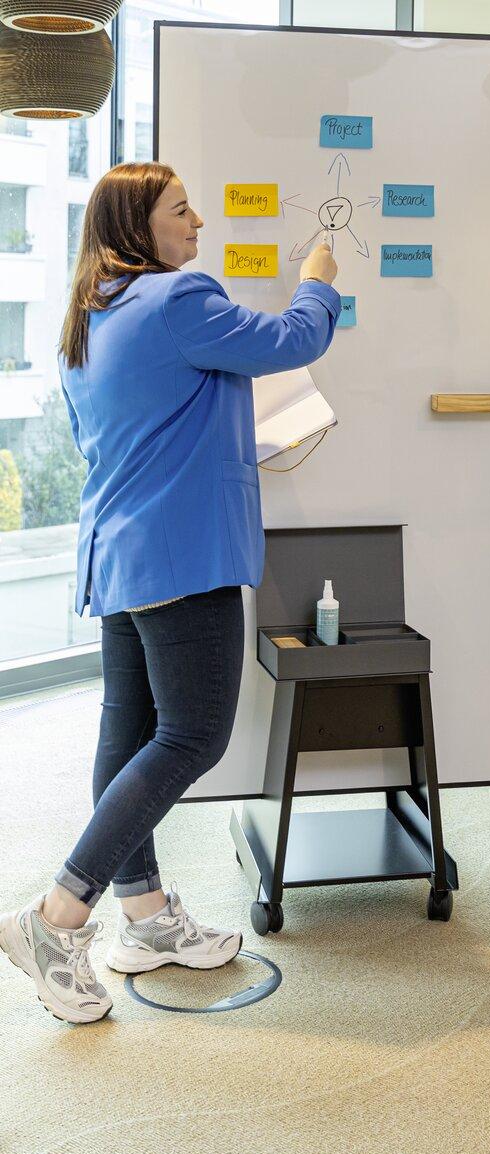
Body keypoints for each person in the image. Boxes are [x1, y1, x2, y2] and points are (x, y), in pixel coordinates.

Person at [0, 162, 341, 1024]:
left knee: (131, 731)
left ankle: (145, 918)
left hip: (119, 554)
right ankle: (58, 916)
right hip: (182, 556)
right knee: (193, 734)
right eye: (181, 210)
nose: (198, 223)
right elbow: (293, 342)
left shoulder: (91, 319)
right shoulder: (178, 301)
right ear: (136, 228)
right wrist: (317, 283)